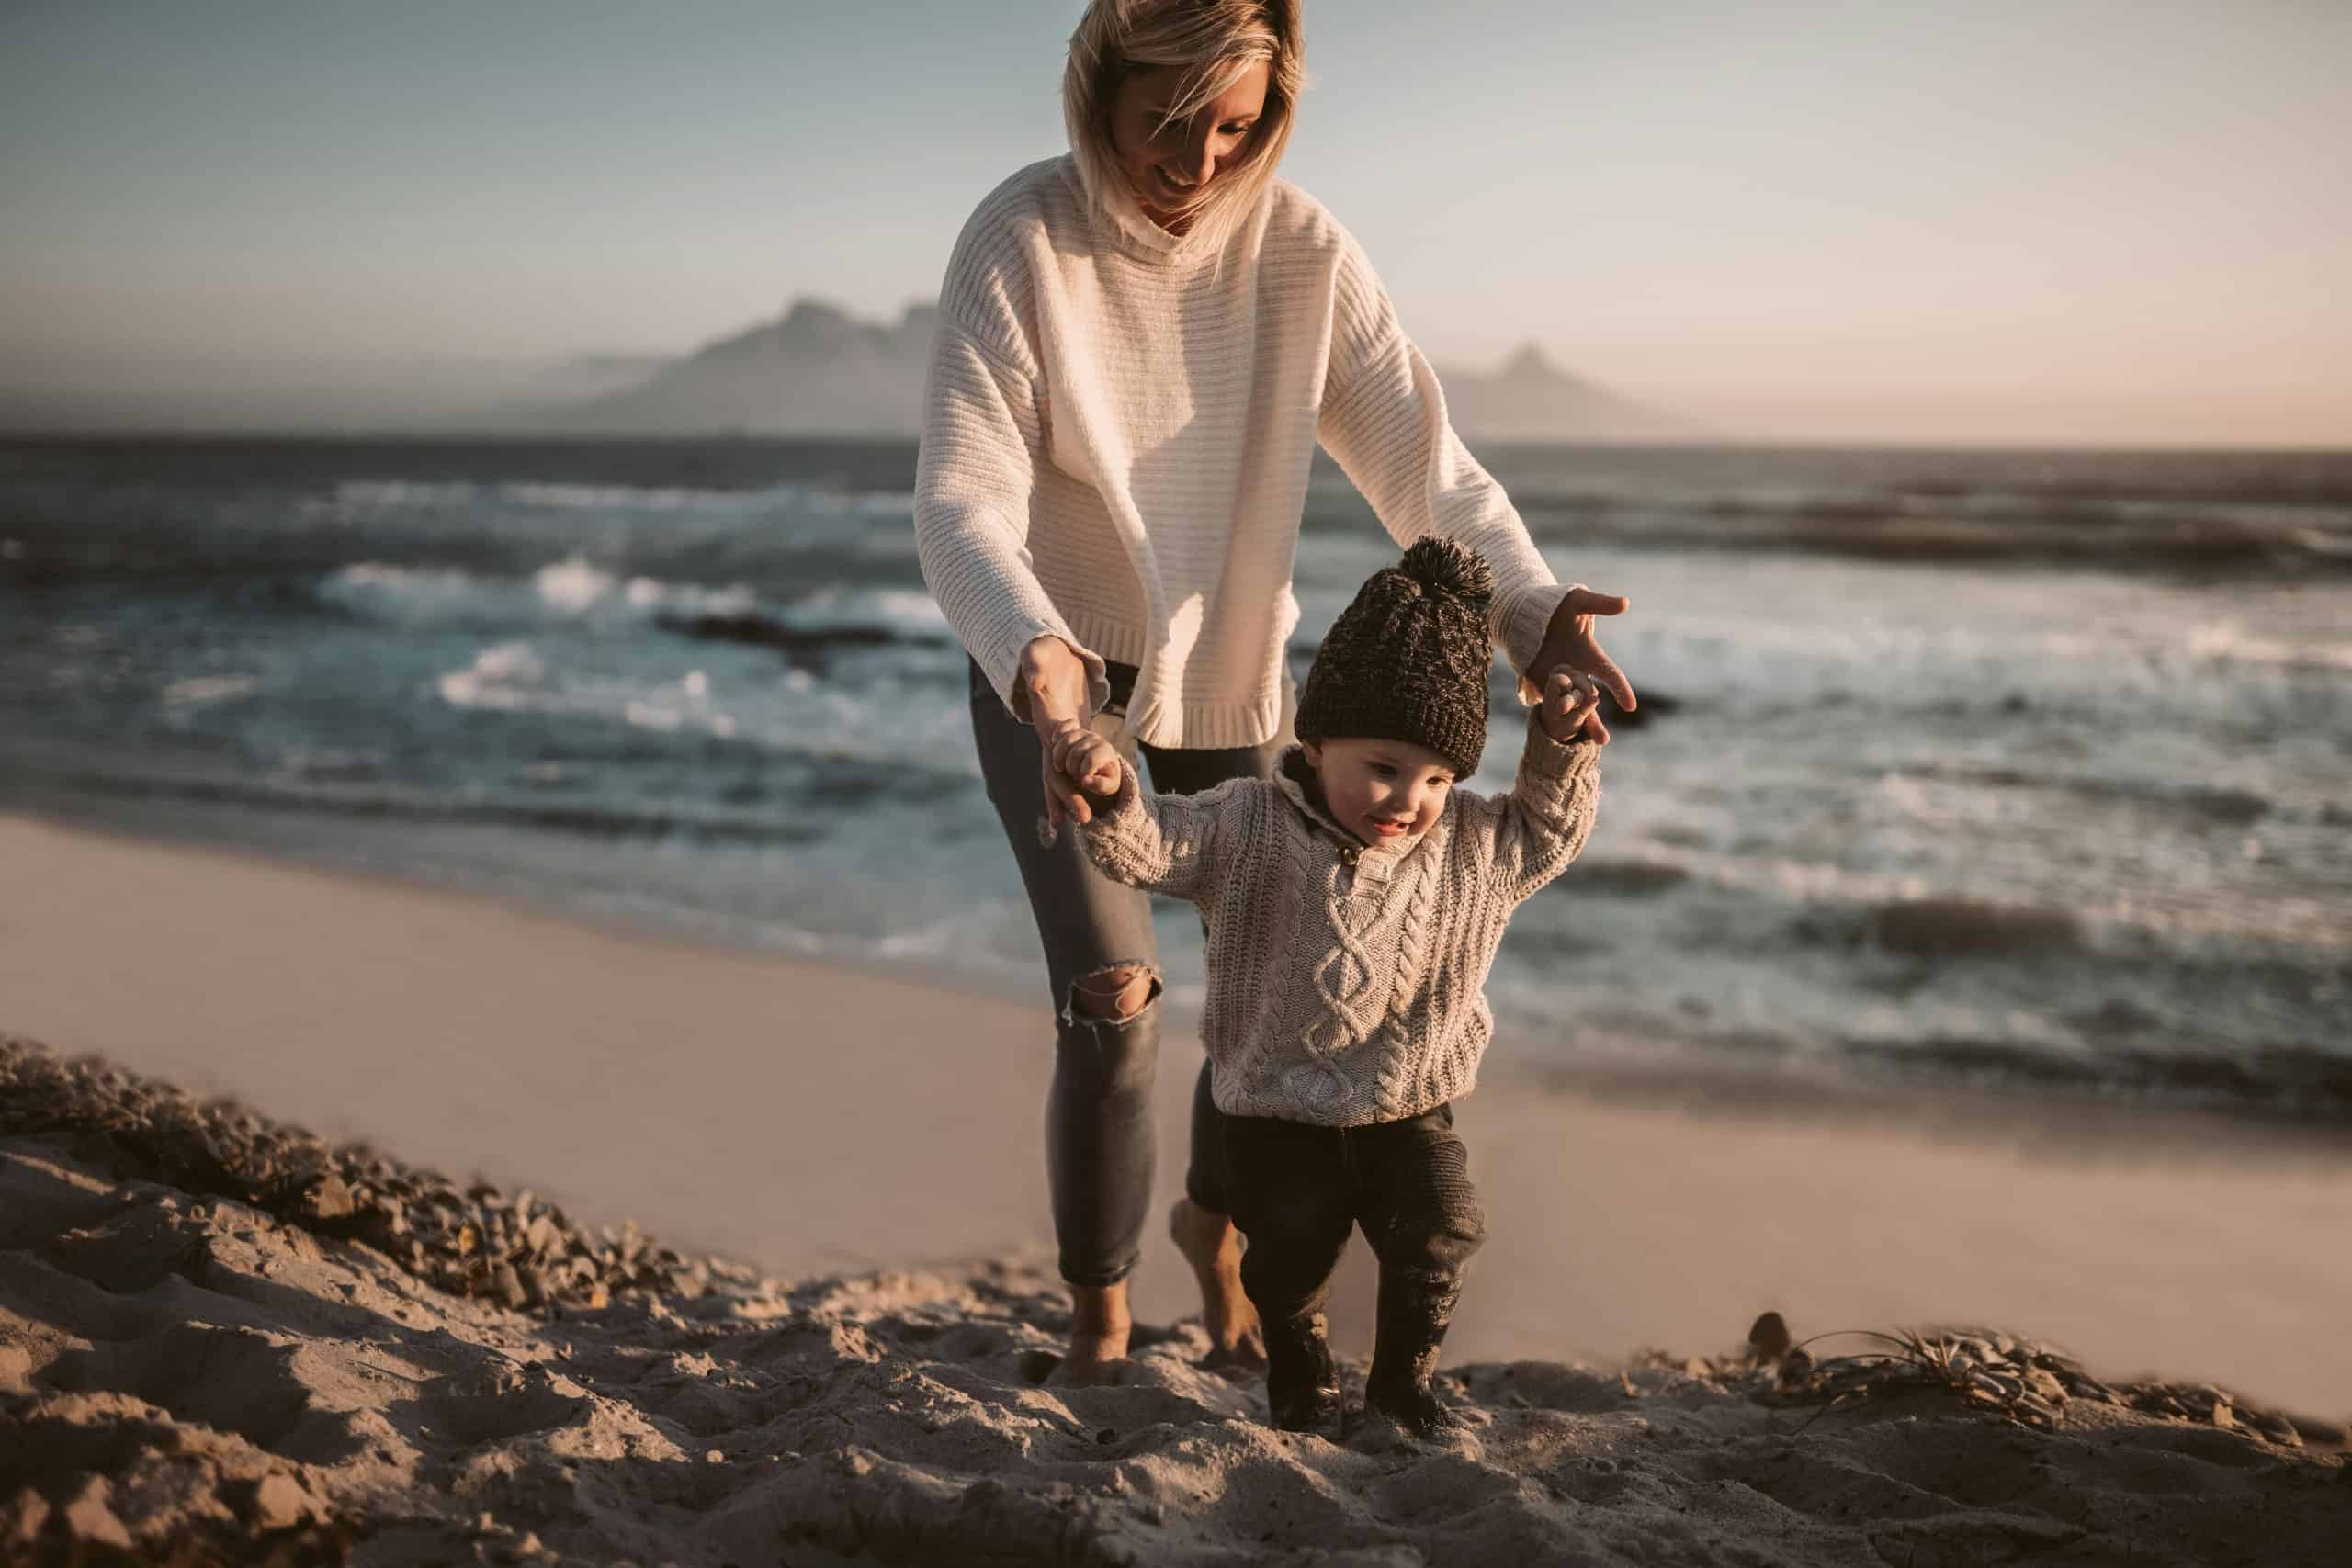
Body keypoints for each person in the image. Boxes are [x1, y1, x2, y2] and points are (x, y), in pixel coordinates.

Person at [913, 0, 1636, 1385]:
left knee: (1267, 991)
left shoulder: (1302, 250)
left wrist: (1533, 619)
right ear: (1099, 91)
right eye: (1166, 123)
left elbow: (1430, 471)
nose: (1197, 160)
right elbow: (962, 499)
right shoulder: (1022, 241)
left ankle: (1213, 1220)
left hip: (1235, 674)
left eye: (1234, 126)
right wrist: (1040, 665)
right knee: (1116, 997)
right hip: (1056, 679)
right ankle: (1100, 1310)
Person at [1055, 538, 1605, 1436]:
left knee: (1442, 1229)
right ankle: (1300, 1375)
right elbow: (1149, 845)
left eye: (1434, 778)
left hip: (1411, 1103)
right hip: (1276, 1110)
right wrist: (1113, 793)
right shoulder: (1246, 824)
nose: (1407, 799)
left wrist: (1558, 741)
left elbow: (1546, 832)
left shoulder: (1468, 842)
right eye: (1384, 767)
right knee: (1287, 1263)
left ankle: (1402, 1384)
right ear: (1313, 743)